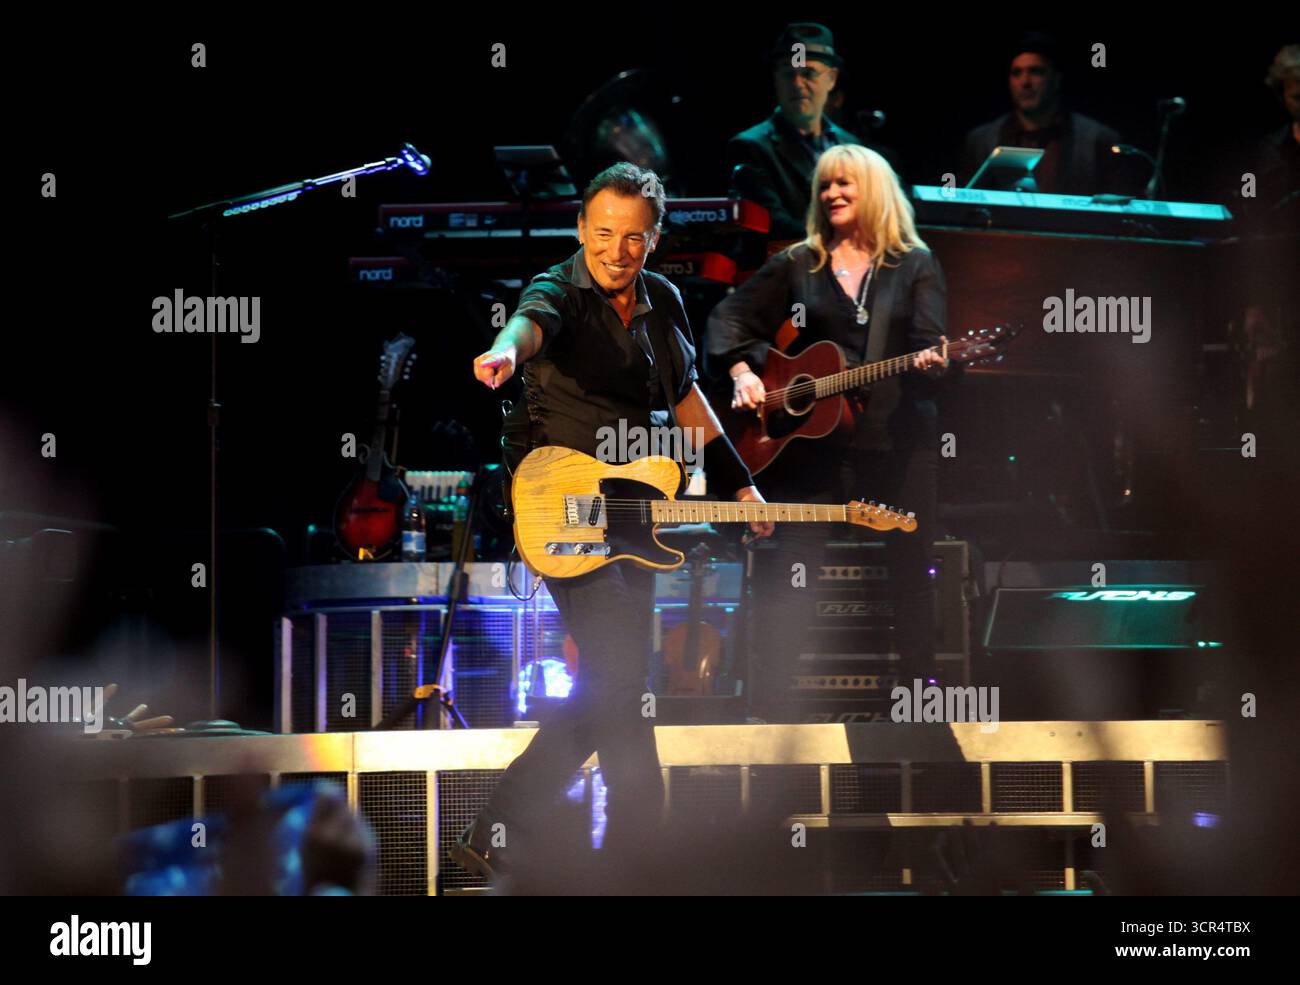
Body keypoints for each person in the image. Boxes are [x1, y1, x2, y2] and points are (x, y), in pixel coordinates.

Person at [459, 162, 773, 881]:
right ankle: (637, 853)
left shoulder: (662, 301)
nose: (615, 250)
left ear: (654, 239)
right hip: (561, 509)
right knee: (623, 678)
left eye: (633, 238)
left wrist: (740, 486)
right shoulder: (558, 287)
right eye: (602, 233)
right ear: (581, 229)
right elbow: (529, 325)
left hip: (632, 515)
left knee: (620, 684)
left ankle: (507, 833)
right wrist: (504, 352)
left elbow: (690, 401)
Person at [708, 144, 949, 722]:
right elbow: (728, 318)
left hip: (894, 442)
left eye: (846, 184)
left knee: (911, 569)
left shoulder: (915, 263)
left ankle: (918, 711)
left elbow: (930, 341)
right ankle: (774, 714)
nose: (833, 194)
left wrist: (934, 362)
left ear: (875, 190)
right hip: (810, 448)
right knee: (789, 575)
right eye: (824, 186)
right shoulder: (800, 261)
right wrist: (743, 370)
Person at [726, 23, 863, 240]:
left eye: (808, 73)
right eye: (789, 74)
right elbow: (771, 221)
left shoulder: (853, 146)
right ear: (776, 79)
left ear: (832, 78)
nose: (798, 83)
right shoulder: (750, 147)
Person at [961, 33, 1128, 196]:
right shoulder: (981, 140)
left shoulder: (1098, 140)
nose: (1025, 82)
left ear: (1056, 79)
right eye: (1016, 73)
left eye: (1035, 71)